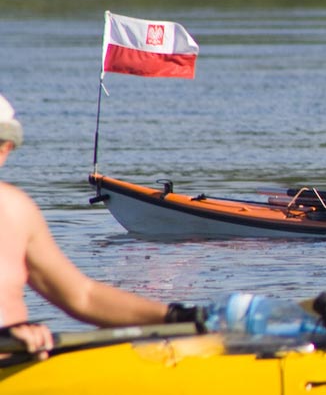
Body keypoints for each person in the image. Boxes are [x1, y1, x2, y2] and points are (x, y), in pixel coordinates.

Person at [0, 93, 191, 359]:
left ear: (8, 148)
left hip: (21, 375)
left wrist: (177, 317)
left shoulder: (16, 210)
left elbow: (83, 296)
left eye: (2, 144)